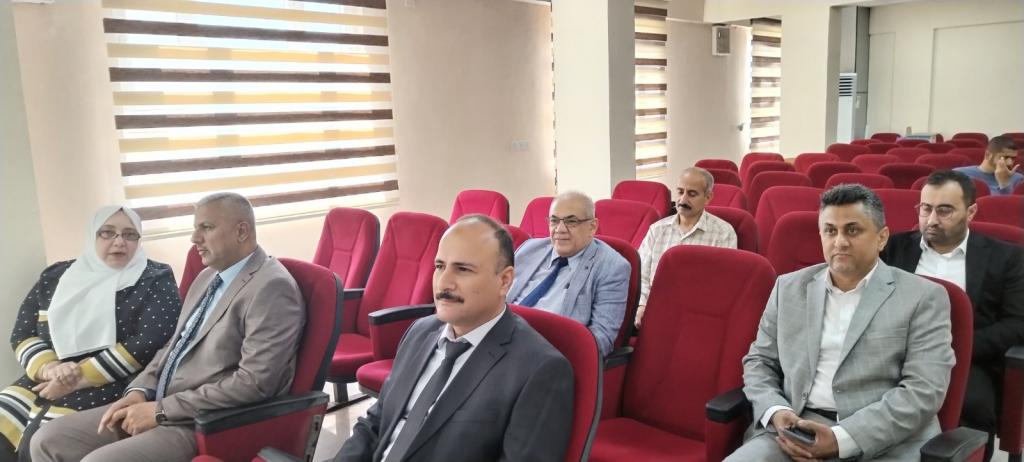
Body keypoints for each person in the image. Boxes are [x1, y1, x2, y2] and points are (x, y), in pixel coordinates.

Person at [31, 192, 306, 462]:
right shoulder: (207, 276)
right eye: (195, 228)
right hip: (159, 400)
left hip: (203, 420)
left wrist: (161, 410)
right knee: (48, 439)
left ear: (241, 231)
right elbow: (173, 347)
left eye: (206, 227)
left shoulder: (271, 287)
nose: (194, 238)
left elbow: (255, 383)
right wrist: (138, 392)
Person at [726, 184, 954, 461]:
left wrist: (841, 439)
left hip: (883, 440)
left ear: (882, 238)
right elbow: (760, 361)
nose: (840, 242)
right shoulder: (788, 288)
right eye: (830, 231)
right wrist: (776, 411)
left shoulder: (924, 296)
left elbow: (924, 391)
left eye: (853, 230)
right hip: (795, 428)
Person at [336, 215, 574, 462]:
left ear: (504, 281)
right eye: (440, 266)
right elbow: (375, 422)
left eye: (463, 269)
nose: (444, 282)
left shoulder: (540, 369)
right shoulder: (420, 332)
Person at [0, 206, 180, 461]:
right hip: (49, 375)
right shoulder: (56, 276)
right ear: (91, 235)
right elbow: (23, 332)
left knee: (42, 434)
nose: (119, 241)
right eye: (107, 232)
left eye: (130, 234)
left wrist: (78, 377)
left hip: (114, 379)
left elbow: (151, 340)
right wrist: (51, 369)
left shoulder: (156, 278)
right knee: (4, 415)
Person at [881, 170, 1024, 461]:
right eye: (925, 208)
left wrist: (957, 348)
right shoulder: (892, 248)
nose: (931, 220)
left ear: (970, 212)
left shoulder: (1006, 257)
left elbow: (1016, 325)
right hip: (891, 352)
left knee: (973, 407)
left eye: (944, 210)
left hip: (966, 360)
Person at [505, 191, 630, 356]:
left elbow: (601, 339)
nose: (560, 229)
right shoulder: (529, 248)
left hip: (546, 354)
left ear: (592, 227)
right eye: (554, 221)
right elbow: (496, 299)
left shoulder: (612, 267)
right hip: (501, 338)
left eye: (571, 221)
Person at [635, 167, 737, 327]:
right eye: (680, 192)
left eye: (692, 194)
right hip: (656, 308)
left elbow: (723, 285)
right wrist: (642, 306)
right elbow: (641, 275)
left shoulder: (723, 233)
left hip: (700, 314)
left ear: (708, 197)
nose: (682, 200)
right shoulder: (657, 230)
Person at [955, 135, 1023, 195]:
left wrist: (1004, 184)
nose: (1010, 163)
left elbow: (1011, 204)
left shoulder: (1018, 179)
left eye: (1013, 158)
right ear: (988, 155)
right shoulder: (960, 174)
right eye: (1005, 157)